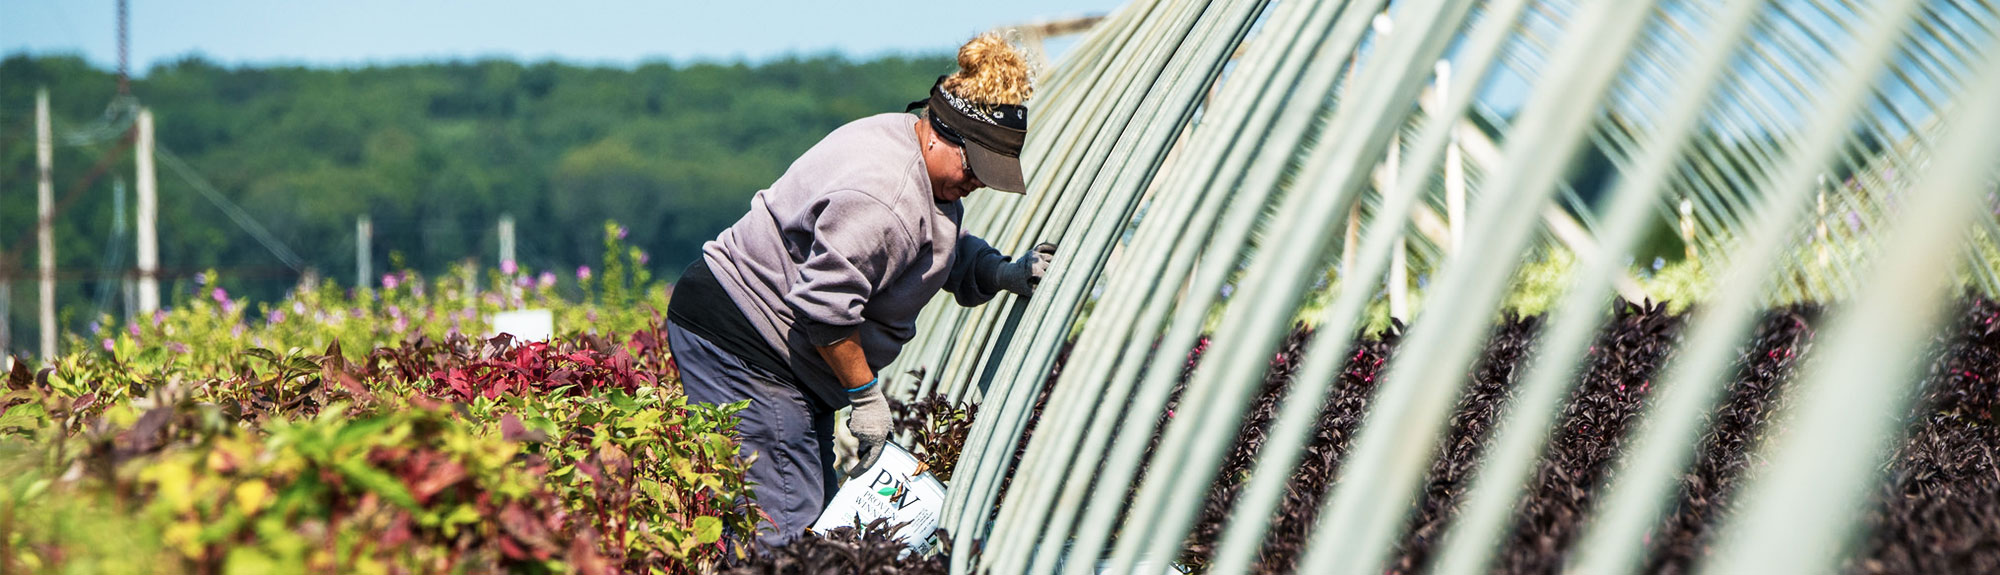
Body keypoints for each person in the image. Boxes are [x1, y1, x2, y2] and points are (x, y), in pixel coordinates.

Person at [664, 34, 1058, 544]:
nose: (977, 183)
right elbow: (826, 312)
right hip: (745, 343)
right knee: (784, 525)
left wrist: (999, 272)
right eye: (975, 169)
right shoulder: (884, 195)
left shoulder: (916, 154)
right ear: (942, 135)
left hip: (780, 353)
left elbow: (935, 248)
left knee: (810, 513)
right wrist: (865, 396)